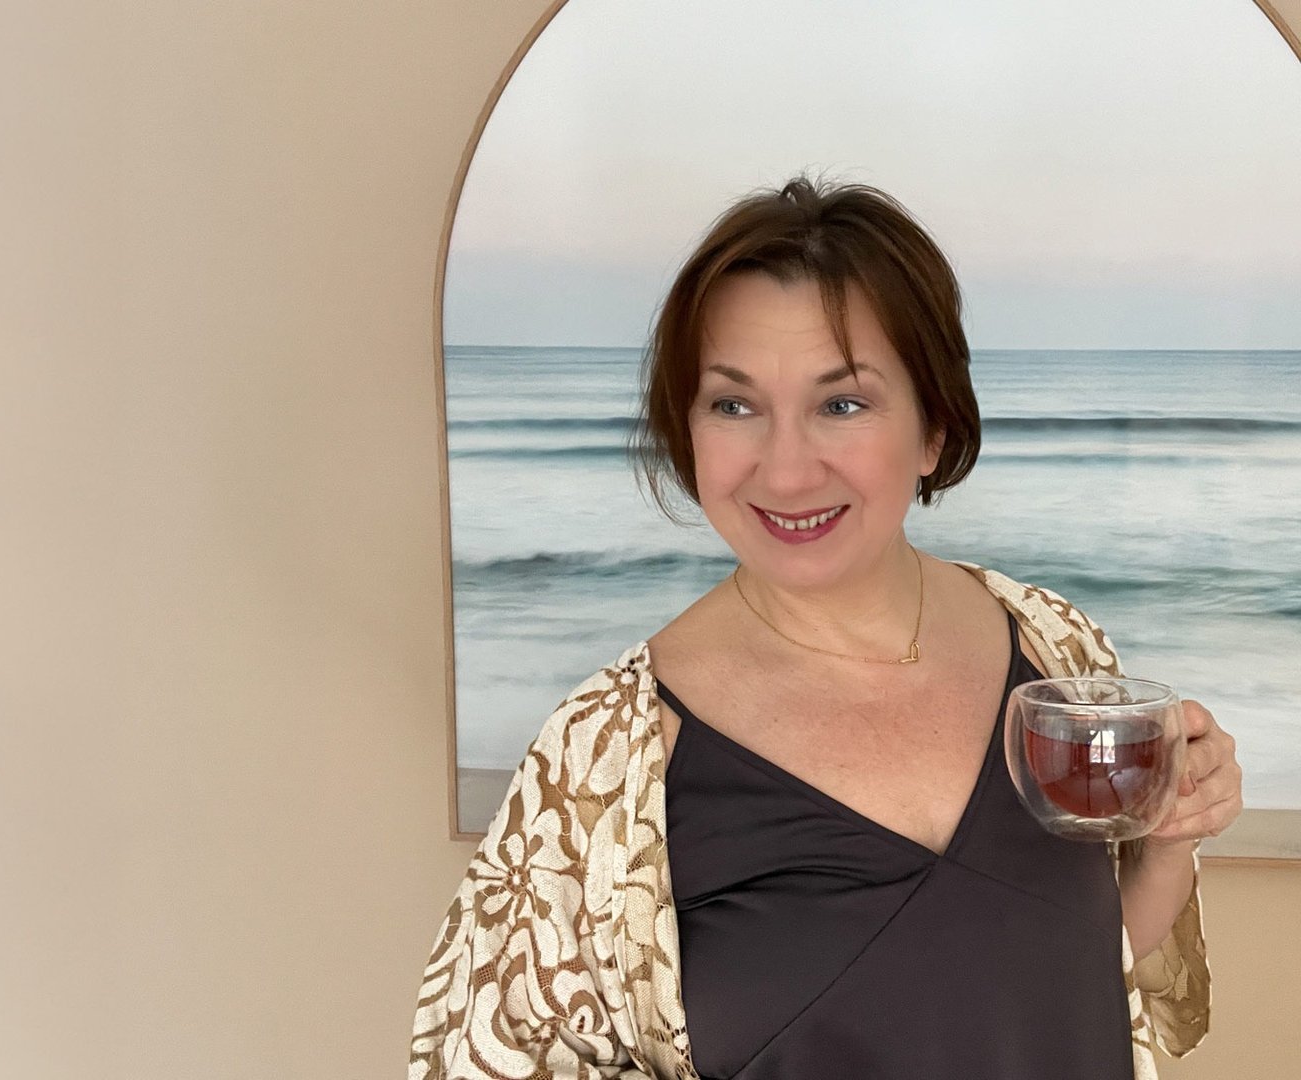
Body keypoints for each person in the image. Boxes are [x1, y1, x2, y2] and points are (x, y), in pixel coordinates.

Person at [410, 175, 1241, 1080]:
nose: (786, 469)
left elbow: (1055, 975)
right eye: (733, 405)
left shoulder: (1054, 648)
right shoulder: (603, 760)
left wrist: (1167, 843)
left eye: (841, 404)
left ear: (933, 427)